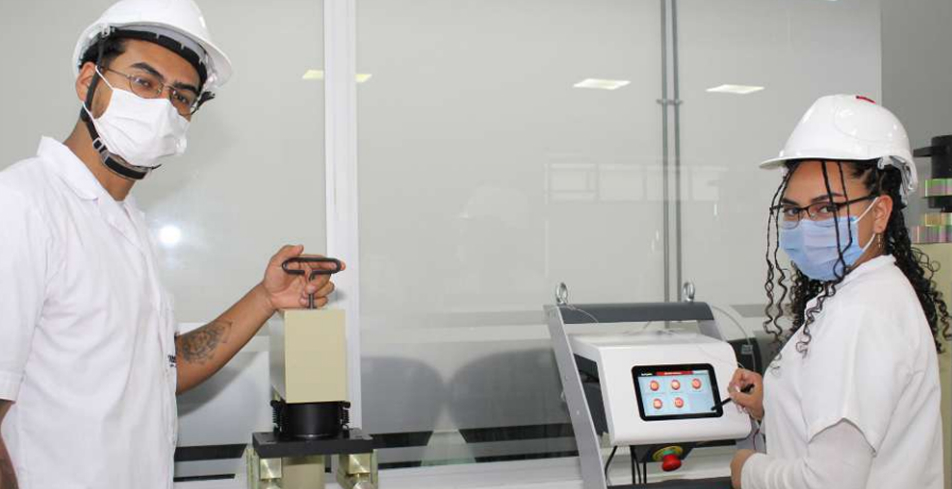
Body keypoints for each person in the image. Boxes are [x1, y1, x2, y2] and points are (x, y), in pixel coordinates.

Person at [0, 1, 341, 488]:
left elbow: (161, 372)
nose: (164, 106)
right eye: (144, 82)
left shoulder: (123, 221)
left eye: (182, 96)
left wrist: (267, 298)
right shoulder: (21, 205)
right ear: (88, 82)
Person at [727, 94, 948, 489]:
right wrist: (773, 405)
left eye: (826, 208)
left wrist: (747, 471)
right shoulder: (868, 294)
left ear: (879, 213)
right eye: (794, 210)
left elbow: (828, 482)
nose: (805, 224)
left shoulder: (861, 313)